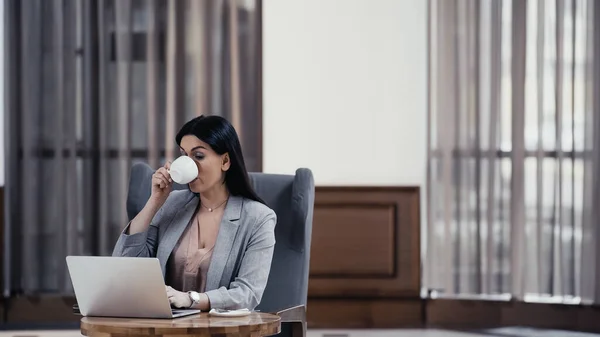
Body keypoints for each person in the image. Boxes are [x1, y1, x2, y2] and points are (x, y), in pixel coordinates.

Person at [112, 115, 276, 311]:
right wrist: (155, 201)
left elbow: (247, 294)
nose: (189, 164)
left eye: (198, 156)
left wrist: (192, 299)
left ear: (225, 161)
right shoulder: (173, 204)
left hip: (219, 330)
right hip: (166, 328)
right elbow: (125, 265)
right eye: (184, 156)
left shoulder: (259, 218)